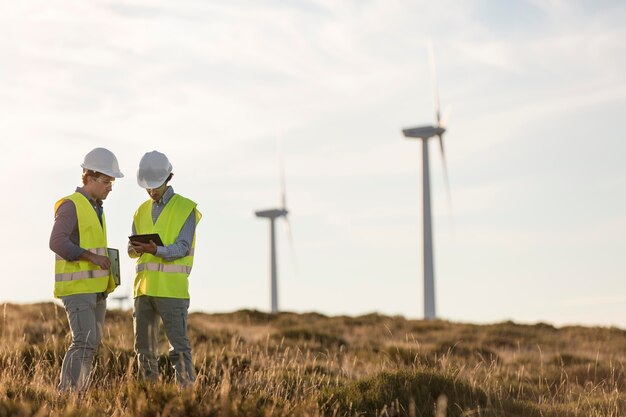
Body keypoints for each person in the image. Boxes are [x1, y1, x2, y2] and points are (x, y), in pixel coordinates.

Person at [49, 147, 124, 392]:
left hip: (96, 290)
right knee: (83, 342)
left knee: (90, 345)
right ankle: (67, 396)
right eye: (106, 181)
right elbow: (57, 242)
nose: (110, 187)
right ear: (90, 178)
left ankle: (77, 396)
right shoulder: (71, 205)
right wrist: (91, 257)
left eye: (112, 182)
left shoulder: (96, 207)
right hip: (78, 289)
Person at [128, 151, 201, 386]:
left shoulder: (185, 208)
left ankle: (185, 400)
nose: (151, 190)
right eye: (147, 186)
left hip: (172, 291)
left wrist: (156, 250)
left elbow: (182, 248)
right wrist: (137, 248)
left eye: (156, 185)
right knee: (144, 351)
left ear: (169, 177)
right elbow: (130, 250)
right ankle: (149, 398)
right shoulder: (140, 211)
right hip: (144, 292)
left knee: (178, 350)